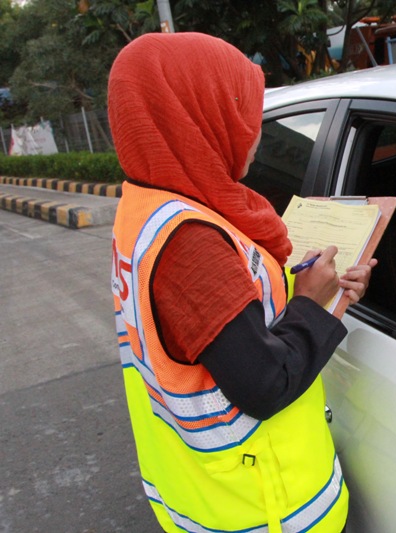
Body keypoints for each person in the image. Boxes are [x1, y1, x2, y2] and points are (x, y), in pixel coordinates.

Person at [109, 33, 374, 533]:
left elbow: (222, 324)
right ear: (196, 115)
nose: (254, 133)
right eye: (242, 112)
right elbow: (264, 383)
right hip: (265, 509)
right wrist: (313, 305)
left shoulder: (146, 205)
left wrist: (317, 294)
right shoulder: (190, 241)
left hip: (208, 493)